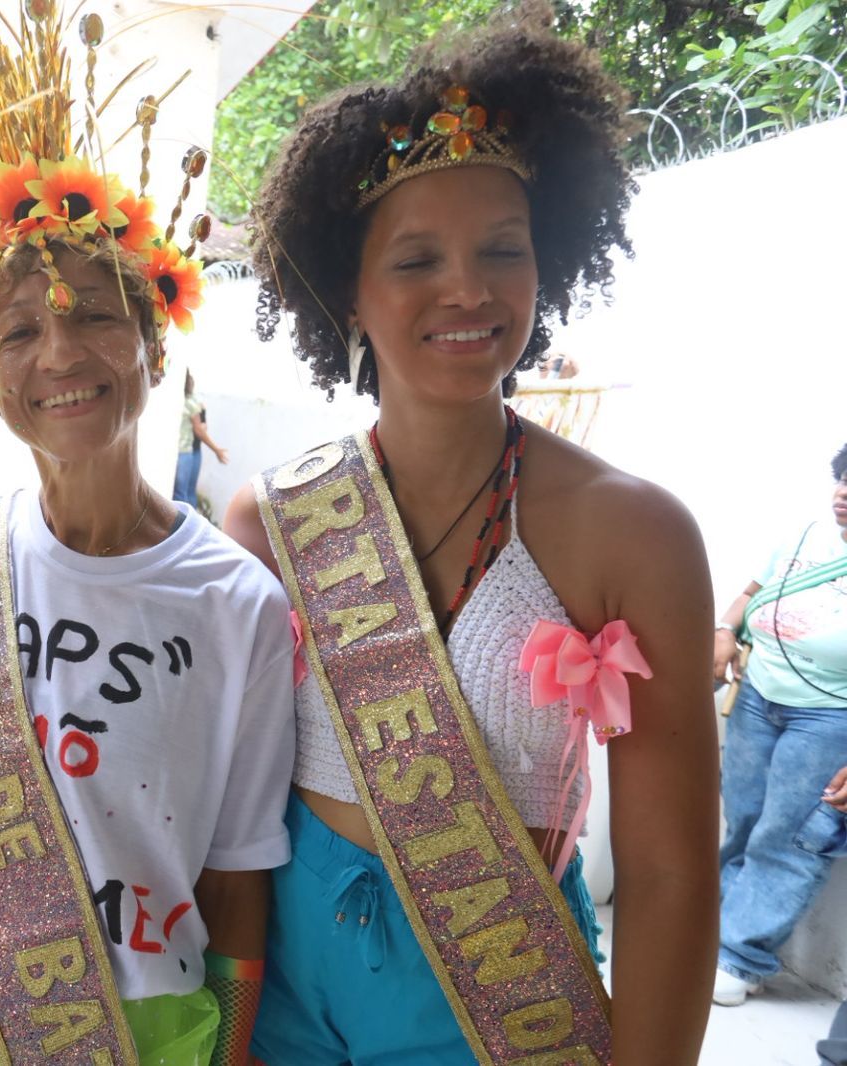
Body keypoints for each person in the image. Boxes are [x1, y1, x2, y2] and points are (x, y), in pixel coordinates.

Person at [227, 10, 719, 1064]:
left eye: (504, 249)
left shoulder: (632, 529)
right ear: (347, 292)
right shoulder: (271, 520)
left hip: (499, 1004)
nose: (468, 288)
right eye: (416, 260)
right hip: (281, 994)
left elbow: (671, 870)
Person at [0, 3, 294, 1063]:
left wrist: (230, 1046)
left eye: (94, 313)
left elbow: (236, 869)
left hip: (130, 1020)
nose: (59, 351)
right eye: (21, 329)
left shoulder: (239, 603)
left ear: (152, 347)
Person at [709, 443, 847, 1007]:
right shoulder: (806, 534)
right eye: (844, 479)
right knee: (742, 821)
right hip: (760, 695)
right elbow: (751, 593)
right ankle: (715, 937)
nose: (844, 492)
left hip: (829, 718)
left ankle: (742, 957)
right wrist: (723, 632)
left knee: (791, 837)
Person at [173, 369, 228, 509]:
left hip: (189, 451)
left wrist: (216, 449)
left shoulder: (192, 401)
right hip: (187, 451)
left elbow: (201, 428)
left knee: (182, 494)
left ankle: (186, 524)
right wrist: (216, 449)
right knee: (184, 494)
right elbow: (200, 428)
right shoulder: (188, 401)